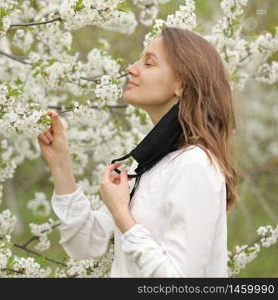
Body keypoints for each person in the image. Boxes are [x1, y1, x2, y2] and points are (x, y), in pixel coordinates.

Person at [37, 27, 238, 277]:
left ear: (182, 85)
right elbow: (84, 245)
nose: (131, 68)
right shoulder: (147, 166)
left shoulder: (195, 165)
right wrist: (60, 163)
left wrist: (122, 213)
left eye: (149, 63)